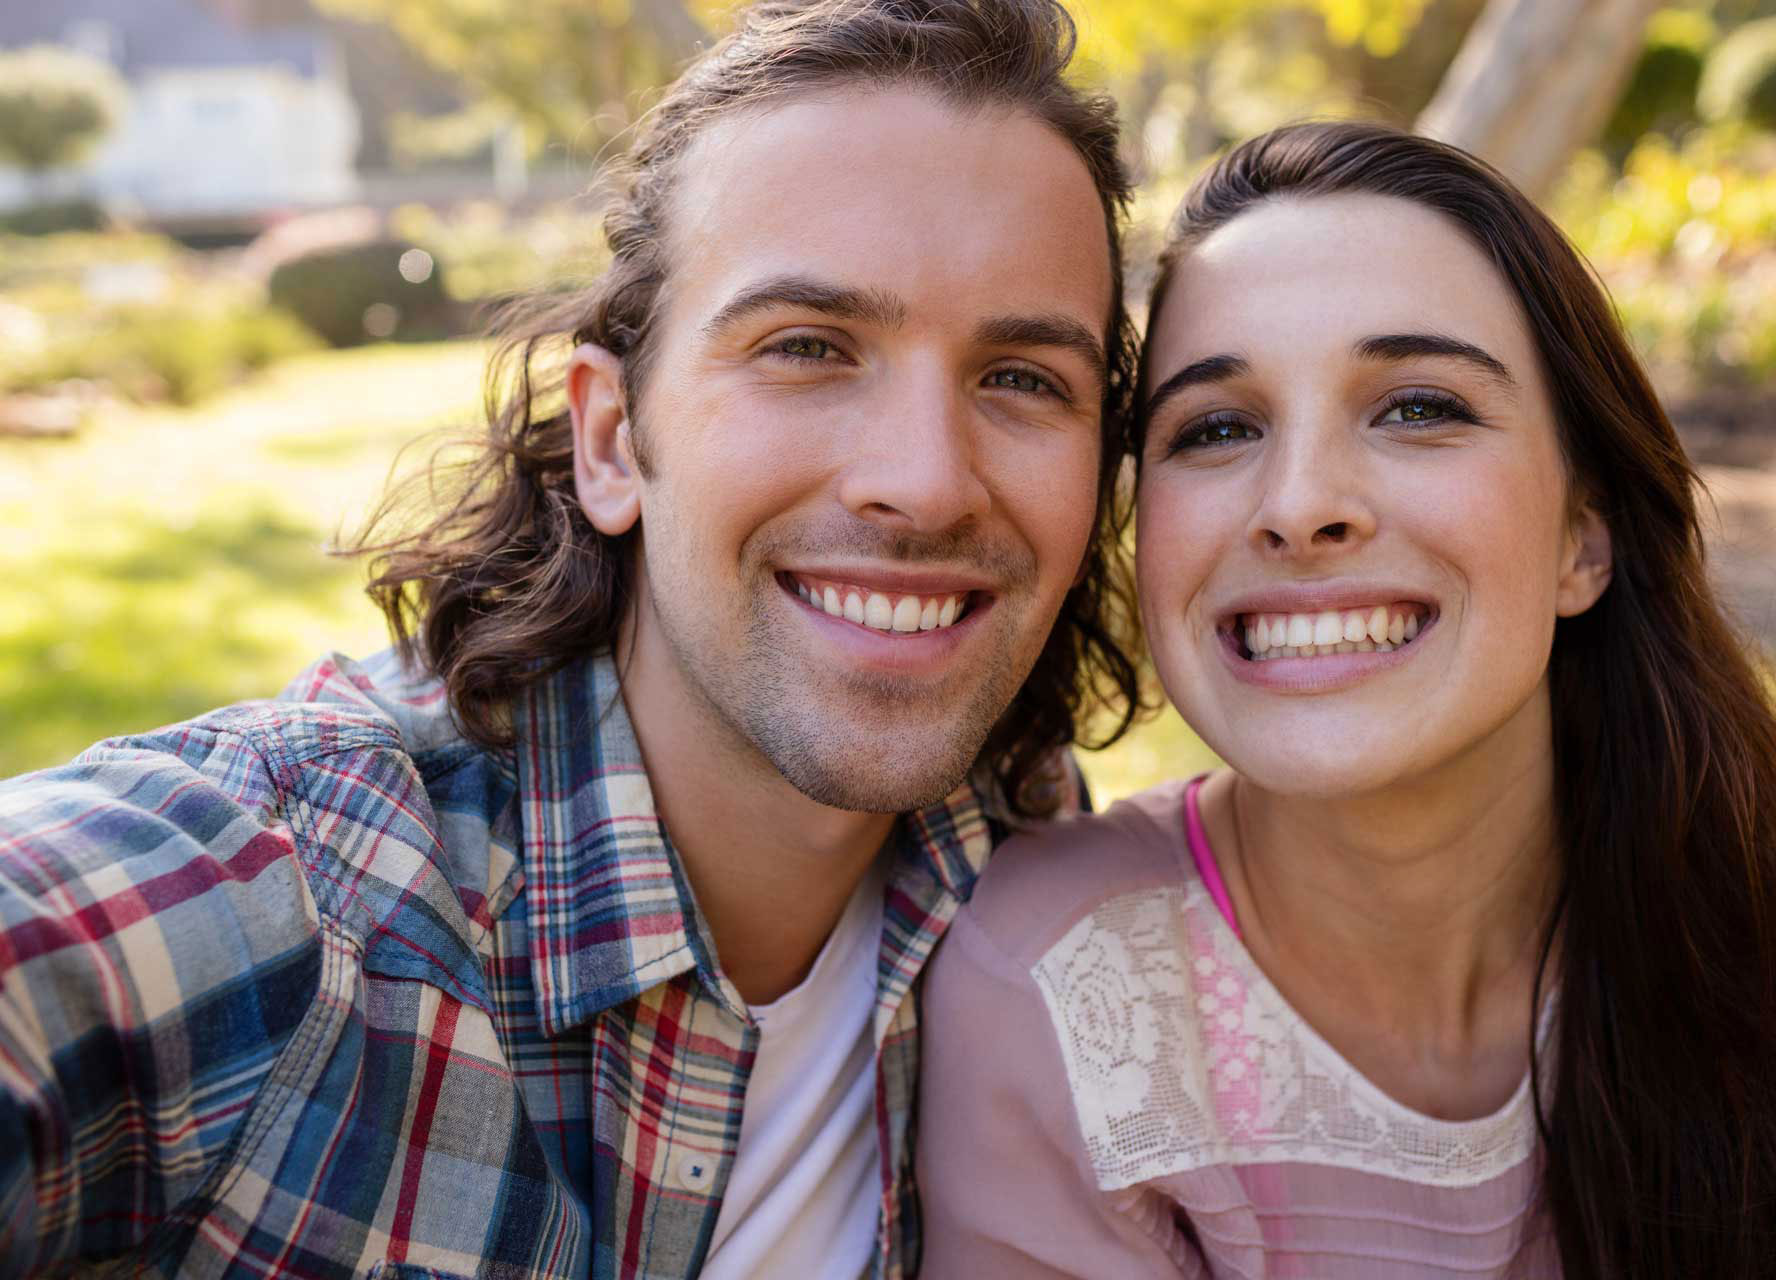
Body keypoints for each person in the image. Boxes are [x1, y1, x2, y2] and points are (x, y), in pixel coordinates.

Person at [0, 0, 1146, 1274]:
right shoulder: (300, 904)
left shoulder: (1021, 852)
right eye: (809, 347)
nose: (927, 482)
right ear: (611, 438)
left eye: (1025, 377)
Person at [917, 120, 1776, 1280]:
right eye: (1218, 427)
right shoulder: (1064, 996)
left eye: (1417, 407)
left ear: (1582, 539)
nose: (1300, 504)